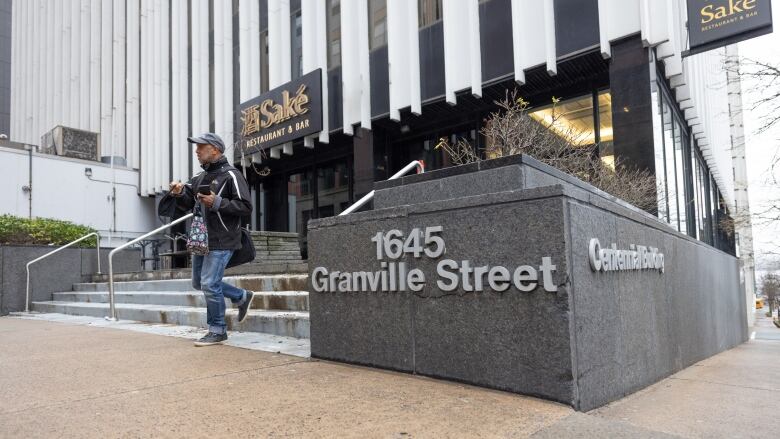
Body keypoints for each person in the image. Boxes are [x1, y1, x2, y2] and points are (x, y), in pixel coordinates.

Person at [169, 132, 254, 346]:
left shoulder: (232, 175)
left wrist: (217, 203)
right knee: (200, 282)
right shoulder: (199, 178)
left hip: (223, 238)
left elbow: (245, 207)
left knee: (208, 283)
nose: (196, 151)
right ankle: (241, 296)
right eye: (196, 148)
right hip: (201, 238)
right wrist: (180, 192)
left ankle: (217, 330)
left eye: (200, 147)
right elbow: (188, 201)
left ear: (214, 150)